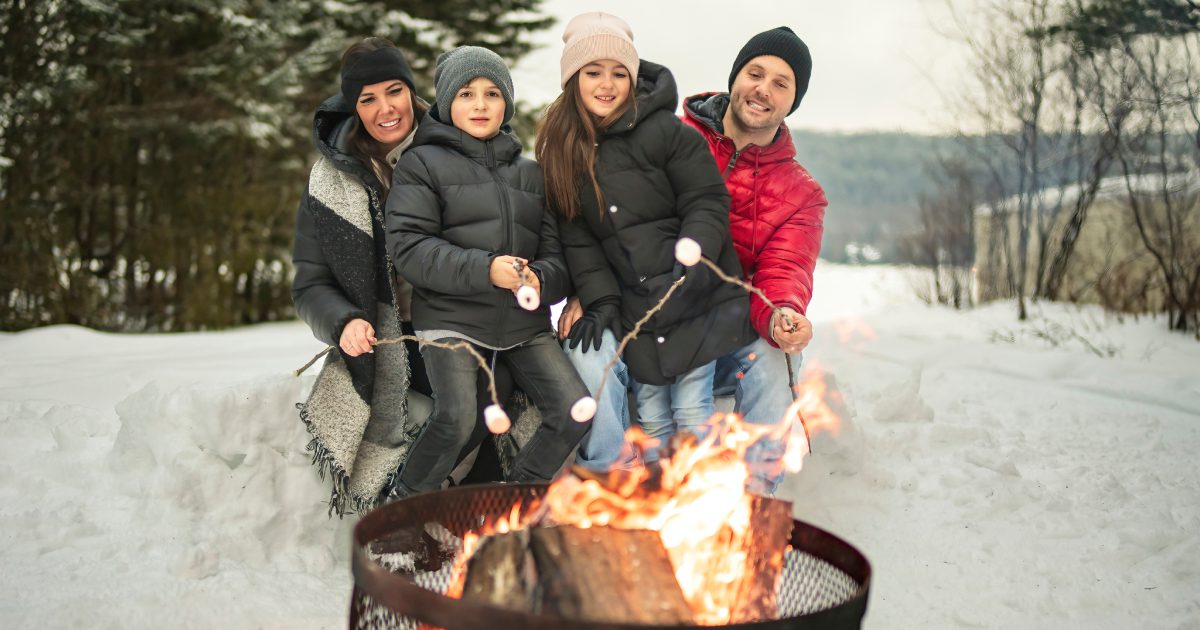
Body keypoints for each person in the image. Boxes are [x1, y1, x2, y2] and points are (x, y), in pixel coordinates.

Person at [538, 13, 756, 468]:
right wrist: (600, 301)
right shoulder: (563, 149)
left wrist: (690, 263)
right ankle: (657, 501)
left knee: (692, 408)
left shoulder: (664, 132)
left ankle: (703, 499)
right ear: (572, 79)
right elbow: (580, 241)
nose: (607, 84)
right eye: (593, 72)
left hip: (694, 296)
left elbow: (705, 200)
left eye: (619, 73)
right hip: (639, 308)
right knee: (655, 414)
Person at [384, 46, 591, 496]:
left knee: (576, 408)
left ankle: (511, 502)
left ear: (507, 103)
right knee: (458, 415)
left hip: (524, 326)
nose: (480, 104)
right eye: (466, 93)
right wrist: (485, 270)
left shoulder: (531, 175)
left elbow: (557, 260)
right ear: (446, 103)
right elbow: (410, 249)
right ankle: (400, 513)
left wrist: (541, 278)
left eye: (493, 93)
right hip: (451, 320)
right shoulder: (421, 165)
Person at [292, 38, 435, 516]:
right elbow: (310, 283)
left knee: (489, 412)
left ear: (412, 93)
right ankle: (406, 520)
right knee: (422, 423)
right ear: (353, 107)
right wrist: (344, 320)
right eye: (367, 99)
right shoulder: (330, 181)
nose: (385, 109)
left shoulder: (455, 152)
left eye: (394, 91)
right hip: (388, 339)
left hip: (460, 324)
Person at [681, 27, 827, 495]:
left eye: (782, 83)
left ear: (792, 102)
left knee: (771, 354)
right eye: (755, 73)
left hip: (732, 332)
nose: (764, 89)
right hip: (657, 319)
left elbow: (784, 272)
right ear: (735, 78)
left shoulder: (800, 193)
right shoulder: (671, 143)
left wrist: (785, 312)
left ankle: (755, 509)